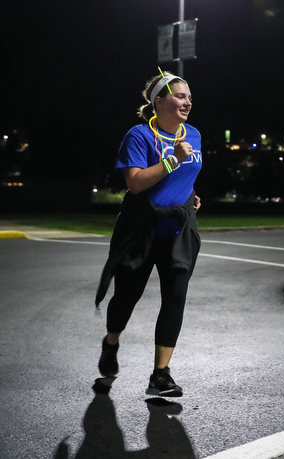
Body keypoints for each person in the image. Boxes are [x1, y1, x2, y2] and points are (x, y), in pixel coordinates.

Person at [95, 71, 202, 397]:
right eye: (180, 96)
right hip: (141, 230)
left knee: (174, 298)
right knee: (126, 297)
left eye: (189, 97)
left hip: (179, 230)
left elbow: (187, 172)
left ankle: (161, 374)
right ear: (159, 101)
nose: (187, 102)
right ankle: (111, 342)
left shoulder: (194, 134)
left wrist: (190, 193)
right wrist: (173, 161)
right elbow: (136, 182)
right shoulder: (139, 135)